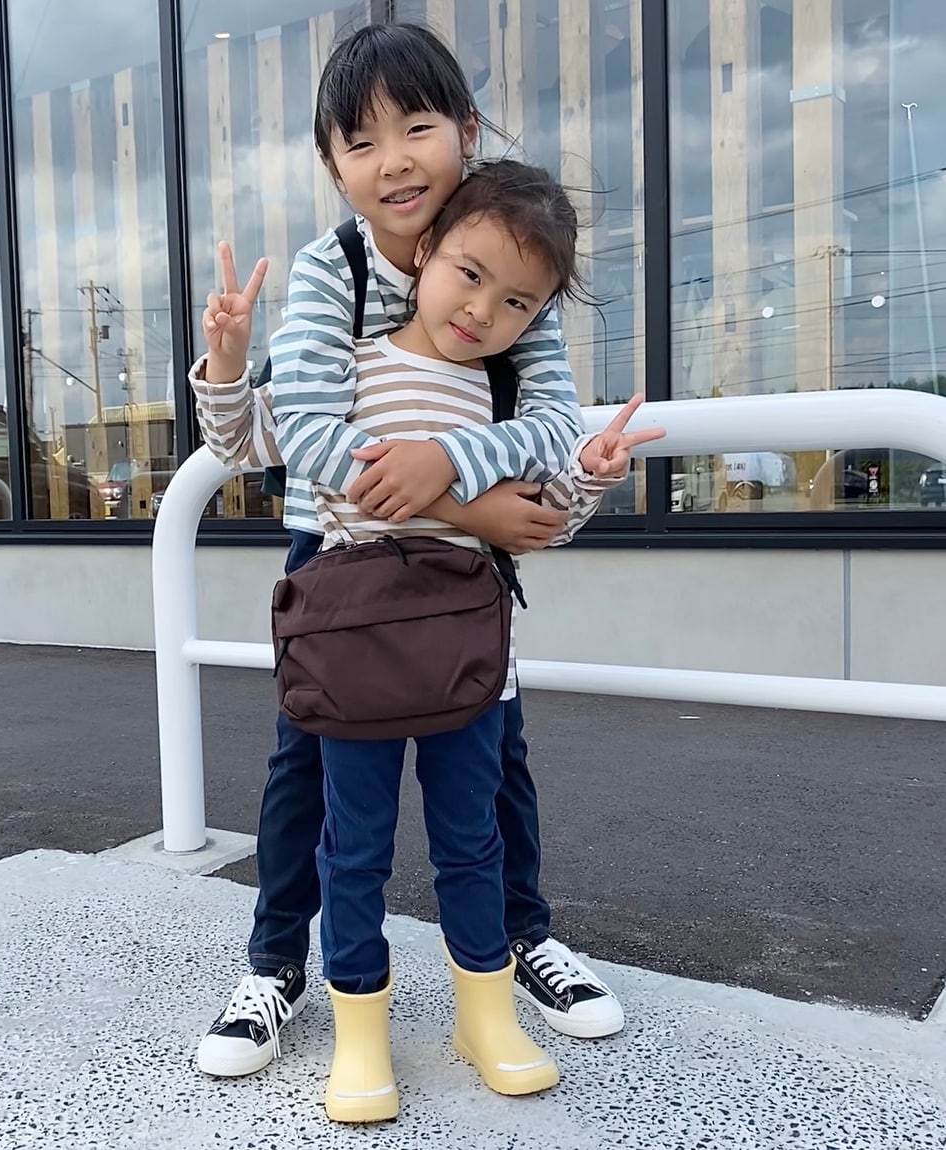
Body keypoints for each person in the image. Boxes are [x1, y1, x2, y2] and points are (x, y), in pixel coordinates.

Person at [194, 22, 629, 1080]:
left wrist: (452, 468)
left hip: (466, 577)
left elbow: (552, 421)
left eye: (418, 128)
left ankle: (519, 941)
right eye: (361, 142)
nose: (393, 160)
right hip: (340, 554)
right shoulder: (331, 268)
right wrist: (453, 500)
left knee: (493, 760)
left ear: (466, 131)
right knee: (307, 764)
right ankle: (275, 962)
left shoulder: (513, 253)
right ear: (333, 164)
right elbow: (296, 424)